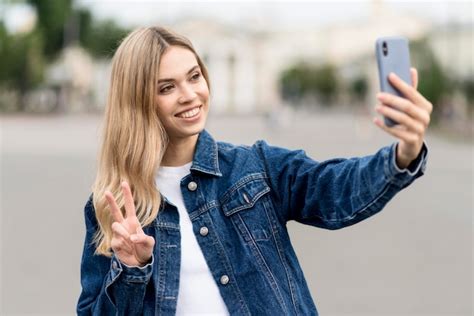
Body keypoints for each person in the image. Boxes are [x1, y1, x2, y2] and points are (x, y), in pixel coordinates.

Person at [77, 26, 431, 316]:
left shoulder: (255, 167)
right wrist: (131, 269)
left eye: (194, 76)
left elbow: (335, 188)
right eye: (167, 88)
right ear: (138, 101)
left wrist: (404, 154)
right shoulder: (114, 209)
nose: (190, 94)